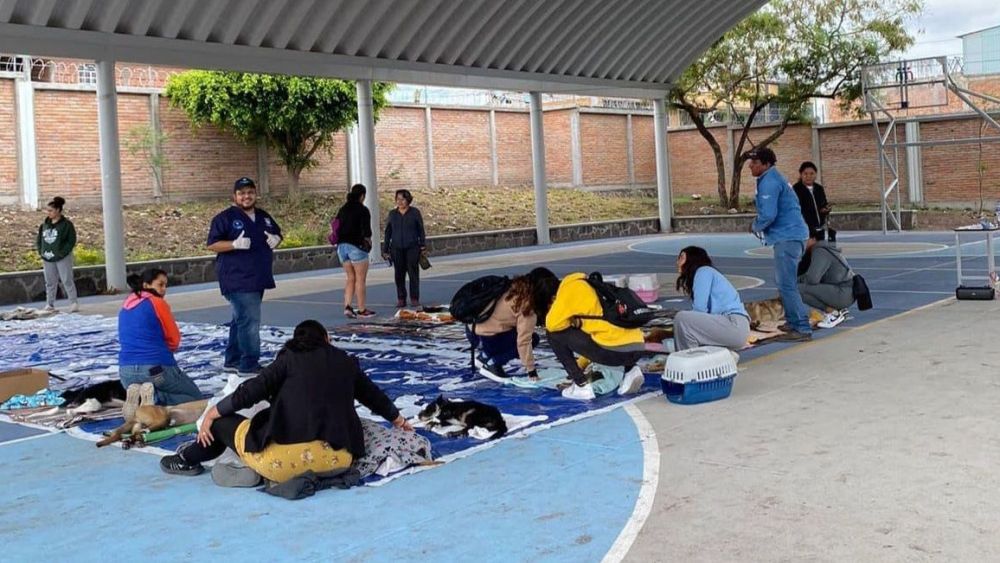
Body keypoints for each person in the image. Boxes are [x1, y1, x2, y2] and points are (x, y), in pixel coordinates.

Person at [159, 320, 415, 483]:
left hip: (284, 463)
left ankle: (187, 459)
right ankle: (250, 471)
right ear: (326, 339)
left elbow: (249, 391)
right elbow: (373, 395)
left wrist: (214, 412)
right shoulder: (345, 362)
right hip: (340, 461)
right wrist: (399, 419)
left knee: (220, 424)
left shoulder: (289, 359)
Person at [207, 177, 282, 377]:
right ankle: (249, 365)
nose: (246, 196)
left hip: (258, 277)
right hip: (237, 278)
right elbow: (212, 244)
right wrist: (233, 244)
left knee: (240, 320)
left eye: (250, 192)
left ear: (255, 194)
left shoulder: (264, 217)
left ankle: (232, 360)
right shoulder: (225, 218)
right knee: (249, 321)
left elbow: (276, 234)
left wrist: (277, 240)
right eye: (241, 193)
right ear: (235, 196)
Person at [545, 273, 650, 400]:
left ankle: (581, 386)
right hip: (638, 347)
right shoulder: (596, 286)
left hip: (614, 352)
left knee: (553, 334)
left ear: (552, 298)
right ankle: (631, 370)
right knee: (608, 333)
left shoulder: (569, 289)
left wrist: (570, 321)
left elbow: (552, 324)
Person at [748, 147, 812, 342]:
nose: (750, 165)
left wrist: (754, 225)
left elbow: (768, 214)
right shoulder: (774, 178)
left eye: (755, 162)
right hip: (792, 236)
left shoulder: (770, 182)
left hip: (788, 238)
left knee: (786, 285)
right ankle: (794, 322)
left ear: (766, 164)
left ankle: (801, 326)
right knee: (785, 283)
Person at [118, 268, 202, 416]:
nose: (164, 289)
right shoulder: (157, 303)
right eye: (160, 284)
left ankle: (139, 397)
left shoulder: (125, 306)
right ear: (146, 285)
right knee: (195, 399)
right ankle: (156, 397)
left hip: (126, 372)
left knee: (152, 384)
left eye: (165, 285)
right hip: (155, 370)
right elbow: (174, 338)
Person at [468, 267, 560, 381]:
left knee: (508, 331)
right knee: (533, 339)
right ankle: (493, 363)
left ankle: (484, 356)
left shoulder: (513, 286)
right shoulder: (527, 306)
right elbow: (524, 341)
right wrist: (531, 371)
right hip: (487, 336)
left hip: (471, 329)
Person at [672, 246, 751, 352]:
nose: (678, 262)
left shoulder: (703, 271)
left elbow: (699, 310)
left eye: (681, 257)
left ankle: (689, 360)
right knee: (688, 323)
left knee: (682, 319)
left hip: (733, 324)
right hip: (736, 326)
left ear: (692, 258)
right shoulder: (707, 273)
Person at [334, 184, 375, 319]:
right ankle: (362, 309)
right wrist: (368, 242)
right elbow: (367, 232)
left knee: (350, 277)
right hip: (356, 246)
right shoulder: (363, 210)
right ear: (362, 195)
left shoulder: (343, 209)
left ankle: (347, 306)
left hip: (341, 247)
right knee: (360, 279)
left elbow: (336, 226)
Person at [382, 189, 427, 309]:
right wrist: (385, 249)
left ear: (408, 200)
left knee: (413, 273)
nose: (400, 202)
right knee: (399, 274)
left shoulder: (415, 213)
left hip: (412, 247)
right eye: (398, 199)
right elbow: (388, 232)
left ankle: (414, 298)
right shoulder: (392, 214)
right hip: (396, 248)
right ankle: (401, 298)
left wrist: (422, 245)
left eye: (402, 199)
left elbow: (420, 230)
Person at [798, 237, 854, 328]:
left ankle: (834, 313)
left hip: (843, 293)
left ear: (813, 239)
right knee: (801, 288)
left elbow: (812, 279)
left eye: (804, 240)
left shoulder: (820, 251)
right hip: (846, 291)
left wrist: (795, 280)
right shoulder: (825, 249)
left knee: (796, 289)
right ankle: (838, 310)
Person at [36, 196, 79, 312]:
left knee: (67, 279)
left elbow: (71, 240)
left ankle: (73, 302)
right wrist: (41, 251)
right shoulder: (44, 225)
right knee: (50, 282)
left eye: (51, 210)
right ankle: (49, 304)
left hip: (62, 257)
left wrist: (62, 252)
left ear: (58, 210)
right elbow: (39, 240)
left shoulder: (67, 225)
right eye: (48, 210)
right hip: (47, 257)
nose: (48, 213)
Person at [792, 161, 835, 242]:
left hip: (820, 229)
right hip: (804, 231)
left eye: (812, 174)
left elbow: (823, 204)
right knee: (807, 253)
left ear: (815, 174)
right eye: (805, 174)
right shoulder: (796, 190)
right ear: (801, 175)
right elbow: (796, 211)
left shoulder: (819, 188)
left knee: (819, 252)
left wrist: (825, 209)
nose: (809, 176)